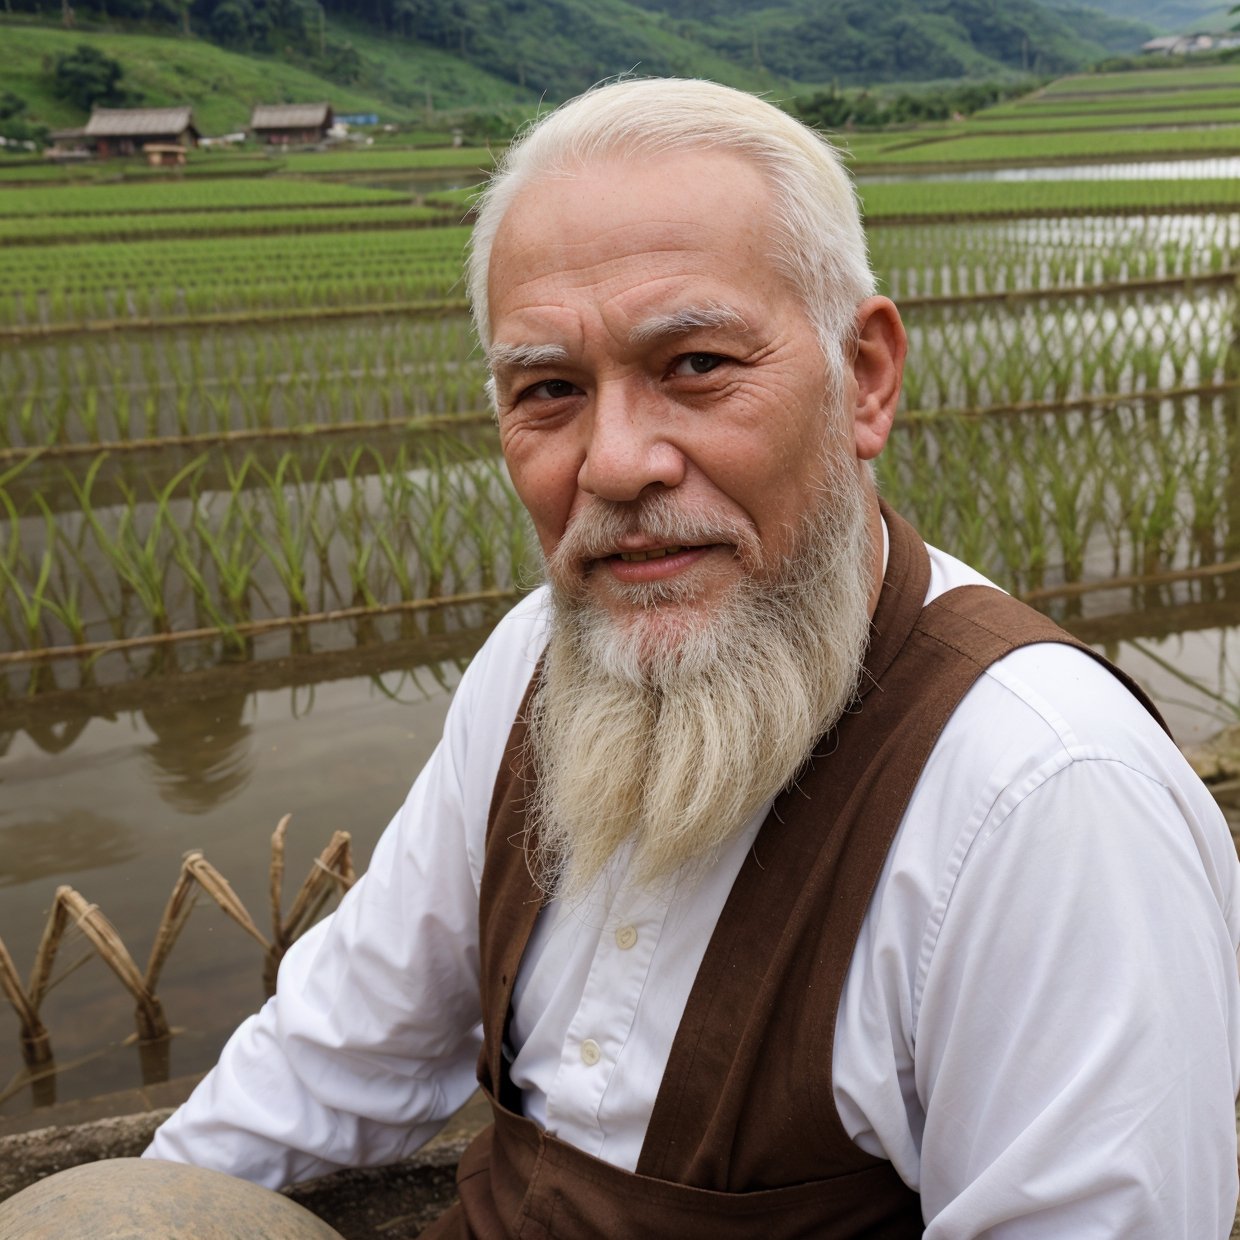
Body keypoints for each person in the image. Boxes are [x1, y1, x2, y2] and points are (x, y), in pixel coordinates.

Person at [138, 78, 1240, 1236]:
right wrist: (134, 1207)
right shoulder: (533, 664)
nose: (615, 463)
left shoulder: (1040, 794)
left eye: (698, 365)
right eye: (548, 390)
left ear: (865, 377)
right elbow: (338, 1040)